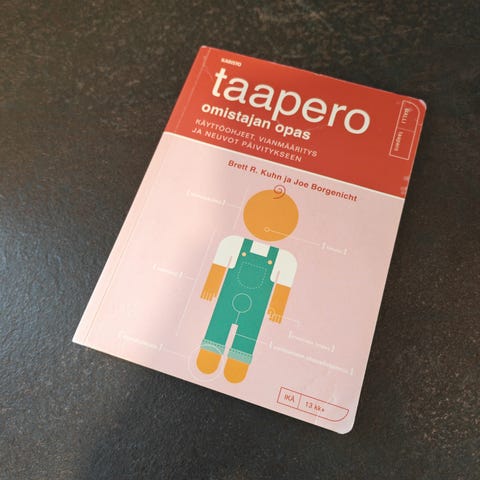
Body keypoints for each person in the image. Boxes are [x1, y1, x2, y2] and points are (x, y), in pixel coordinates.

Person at [196, 186, 298, 383]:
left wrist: (277, 307)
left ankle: (237, 367)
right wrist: (211, 286)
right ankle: (208, 357)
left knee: (247, 336)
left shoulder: (285, 259)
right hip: (227, 300)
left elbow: (283, 286)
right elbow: (218, 266)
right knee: (218, 325)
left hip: (255, 309)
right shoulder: (232, 243)